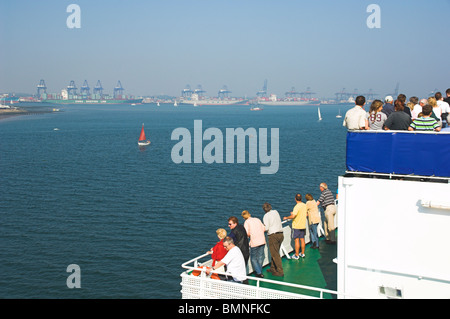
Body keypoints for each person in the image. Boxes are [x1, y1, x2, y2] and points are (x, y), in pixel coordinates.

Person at [241, 210, 266, 278]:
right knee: (260, 257)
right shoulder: (257, 219)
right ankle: (259, 271)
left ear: (243, 217)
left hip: (254, 242)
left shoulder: (247, 222)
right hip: (262, 240)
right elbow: (264, 229)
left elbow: (247, 233)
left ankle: (259, 273)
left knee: (253, 258)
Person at [262, 202, 284, 277]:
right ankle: (273, 268)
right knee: (275, 251)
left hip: (273, 236)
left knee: (275, 254)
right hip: (280, 234)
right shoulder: (275, 212)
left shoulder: (266, 216)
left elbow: (266, 228)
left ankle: (280, 271)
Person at [283, 194, 307, 259]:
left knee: (296, 240)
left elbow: (293, 216)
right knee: (302, 239)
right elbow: (305, 214)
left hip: (297, 226)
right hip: (303, 225)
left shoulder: (296, 206)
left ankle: (296, 255)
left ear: (295, 199)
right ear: (301, 198)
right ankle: (302, 253)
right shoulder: (304, 205)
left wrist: (286, 217)